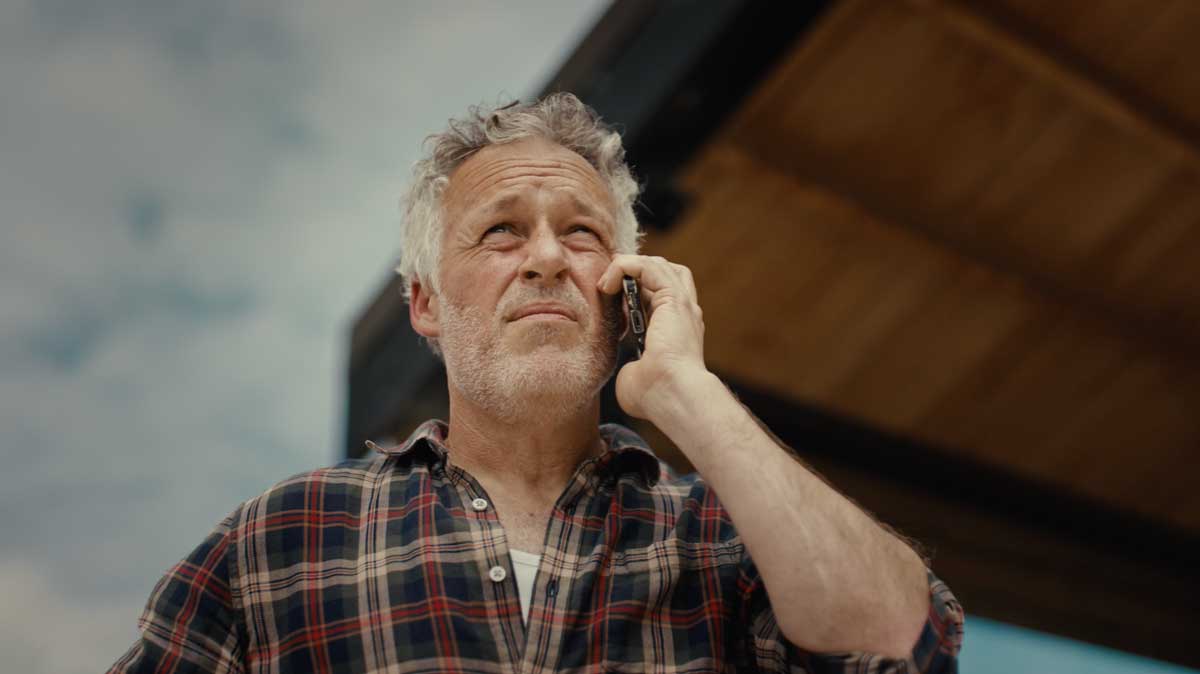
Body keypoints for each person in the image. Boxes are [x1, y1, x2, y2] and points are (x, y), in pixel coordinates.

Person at [109, 93, 964, 673]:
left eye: (582, 233)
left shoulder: (727, 538)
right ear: (425, 303)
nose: (548, 258)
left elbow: (905, 645)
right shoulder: (281, 542)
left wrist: (686, 389)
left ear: (626, 286)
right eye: (502, 233)